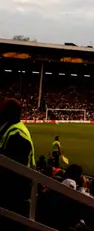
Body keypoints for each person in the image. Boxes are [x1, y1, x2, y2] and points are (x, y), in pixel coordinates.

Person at [0, 98, 36, 231]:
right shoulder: (9, 130)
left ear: (6, 113)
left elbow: (15, 170)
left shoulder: (17, 133)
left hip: (14, 195)